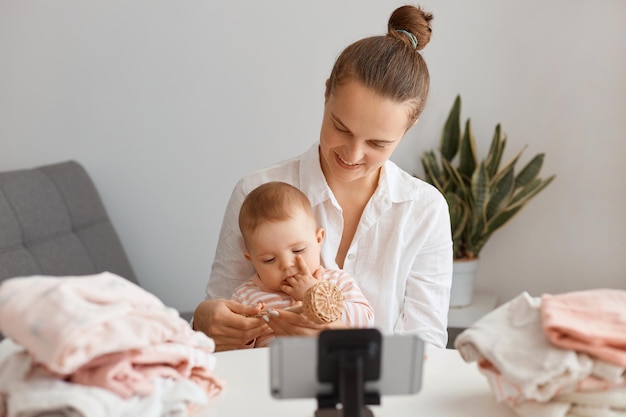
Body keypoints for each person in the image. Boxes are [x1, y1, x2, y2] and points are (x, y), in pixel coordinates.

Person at [193, 4, 452, 350]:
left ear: (408, 128)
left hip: (376, 399)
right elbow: (216, 325)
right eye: (341, 127)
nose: (353, 154)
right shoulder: (254, 193)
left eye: (377, 143)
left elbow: (427, 349)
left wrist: (342, 340)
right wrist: (204, 322)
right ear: (327, 92)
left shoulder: (424, 210)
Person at [231, 181, 375, 348]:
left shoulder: (336, 281)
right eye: (269, 260)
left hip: (328, 368)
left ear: (318, 239)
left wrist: (317, 295)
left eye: (298, 250)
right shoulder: (245, 297)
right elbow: (231, 347)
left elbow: (366, 320)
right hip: (270, 370)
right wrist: (247, 334)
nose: (286, 264)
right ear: (252, 260)